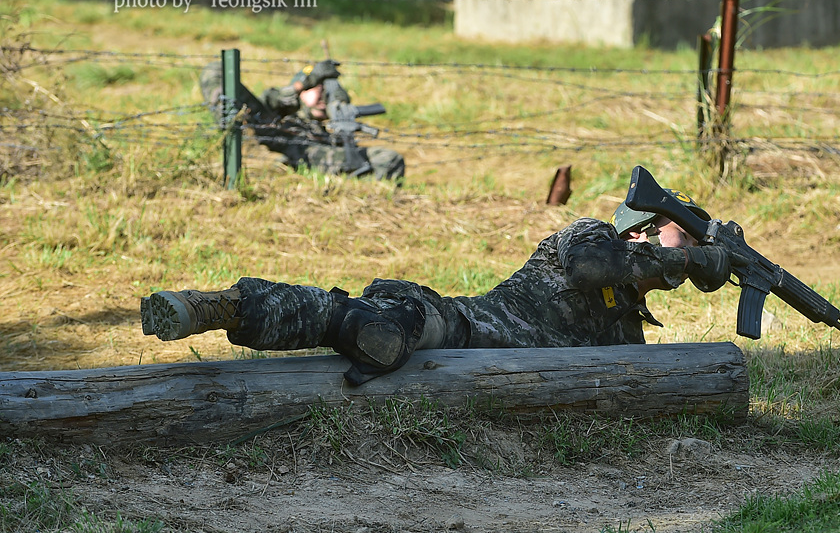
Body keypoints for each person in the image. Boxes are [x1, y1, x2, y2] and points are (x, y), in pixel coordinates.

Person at [140, 189, 735, 385]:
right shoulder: (590, 237)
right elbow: (591, 268)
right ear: (649, 230)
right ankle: (218, 307)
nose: (694, 254)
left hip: (499, 374)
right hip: (463, 327)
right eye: (687, 237)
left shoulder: (629, 322)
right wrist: (688, 262)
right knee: (376, 329)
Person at [199, 59, 405, 182]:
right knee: (219, 68)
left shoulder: (327, 131)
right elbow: (273, 98)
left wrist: (339, 105)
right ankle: (228, 123)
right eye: (316, 89)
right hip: (276, 165)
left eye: (327, 92)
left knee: (389, 158)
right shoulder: (275, 117)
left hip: (328, 168)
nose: (322, 97)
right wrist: (303, 84)